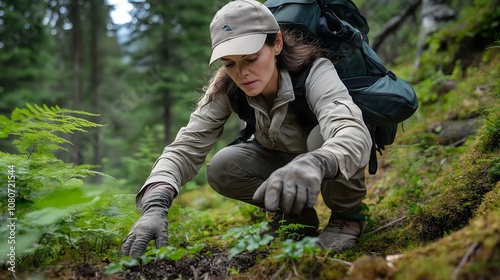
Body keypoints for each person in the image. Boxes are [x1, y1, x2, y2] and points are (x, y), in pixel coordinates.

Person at [120, 0, 371, 258]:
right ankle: (294, 215)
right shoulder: (227, 85)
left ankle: (347, 217)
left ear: (277, 44)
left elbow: (350, 130)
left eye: (251, 59)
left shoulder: (315, 70)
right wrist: (155, 204)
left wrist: (315, 163)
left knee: (322, 139)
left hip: (322, 160)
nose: (242, 74)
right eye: (229, 63)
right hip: (279, 158)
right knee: (223, 166)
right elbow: (186, 146)